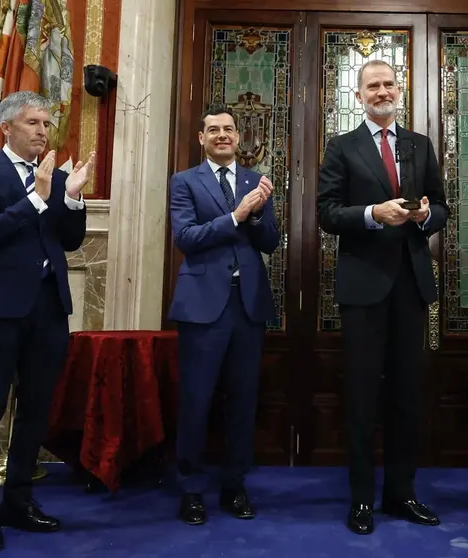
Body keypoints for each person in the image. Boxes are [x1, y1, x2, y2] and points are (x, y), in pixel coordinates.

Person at [0, 90, 94, 552]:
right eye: (34, 122)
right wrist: (35, 200)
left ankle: (18, 501)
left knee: (36, 409)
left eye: (47, 124)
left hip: (48, 308)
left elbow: (70, 242)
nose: (43, 131)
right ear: (9, 127)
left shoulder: (54, 177)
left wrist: (71, 199)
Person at [317, 59, 448, 535]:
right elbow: (327, 214)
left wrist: (426, 216)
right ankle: (360, 500)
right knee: (362, 396)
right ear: (359, 96)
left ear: (400, 90)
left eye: (388, 84)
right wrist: (374, 213)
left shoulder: (419, 145)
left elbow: (442, 207)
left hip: (411, 286)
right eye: (372, 86)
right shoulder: (342, 147)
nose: (381, 91)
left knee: (408, 396)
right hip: (363, 287)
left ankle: (401, 493)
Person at [168, 106, 278, 526]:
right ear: (201, 138)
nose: (222, 135)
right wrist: (237, 215)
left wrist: (260, 211)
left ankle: (235, 485)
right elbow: (187, 238)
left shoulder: (256, 181)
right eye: (213, 129)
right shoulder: (184, 182)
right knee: (196, 401)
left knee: (243, 400)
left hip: (247, 306)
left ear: (238, 136)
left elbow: (270, 242)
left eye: (228, 129)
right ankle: (192, 490)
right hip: (202, 308)